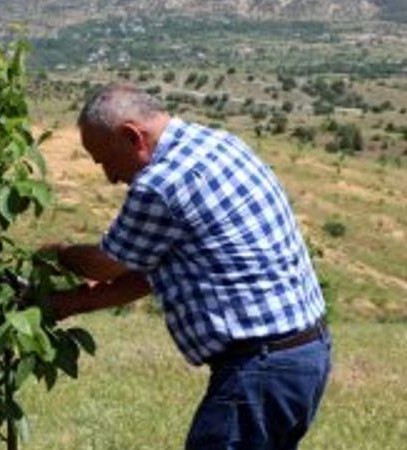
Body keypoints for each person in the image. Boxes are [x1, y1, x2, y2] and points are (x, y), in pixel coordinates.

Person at [44, 83, 331, 450]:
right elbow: (150, 271)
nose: (110, 177)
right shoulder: (219, 143)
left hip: (260, 369)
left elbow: (108, 264)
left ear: (133, 137)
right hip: (301, 357)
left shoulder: (162, 183)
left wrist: (57, 254)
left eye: (106, 160)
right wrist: (73, 303)